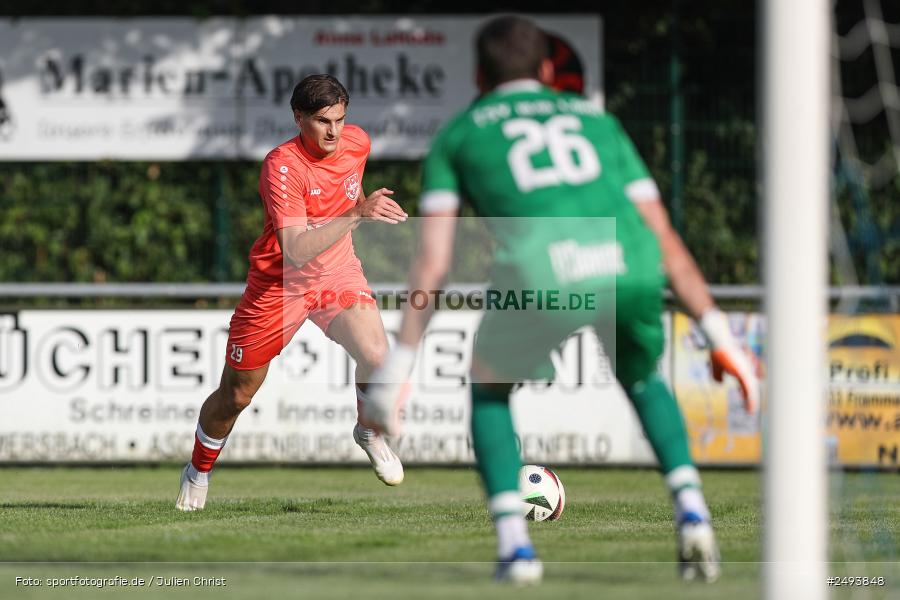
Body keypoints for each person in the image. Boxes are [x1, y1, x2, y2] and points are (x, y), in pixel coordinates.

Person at [362, 16, 760, 585]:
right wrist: (719, 333)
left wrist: (399, 363)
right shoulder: (596, 120)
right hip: (628, 262)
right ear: (549, 69)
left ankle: (516, 549)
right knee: (643, 378)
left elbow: (433, 263)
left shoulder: (460, 135)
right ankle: (693, 511)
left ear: (478, 76)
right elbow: (665, 236)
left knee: (489, 391)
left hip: (543, 272)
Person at [176, 74, 409, 511]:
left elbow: (348, 194)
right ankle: (198, 470)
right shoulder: (282, 166)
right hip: (278, 286)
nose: (334, 132)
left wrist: (356, 212)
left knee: (379, 357)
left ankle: (368, 431)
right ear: (298, 117)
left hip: (336, 274)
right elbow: (297, 250)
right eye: (322, 121)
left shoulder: (358, 143)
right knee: (236, 395)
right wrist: (357, 214)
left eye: (340, 119)